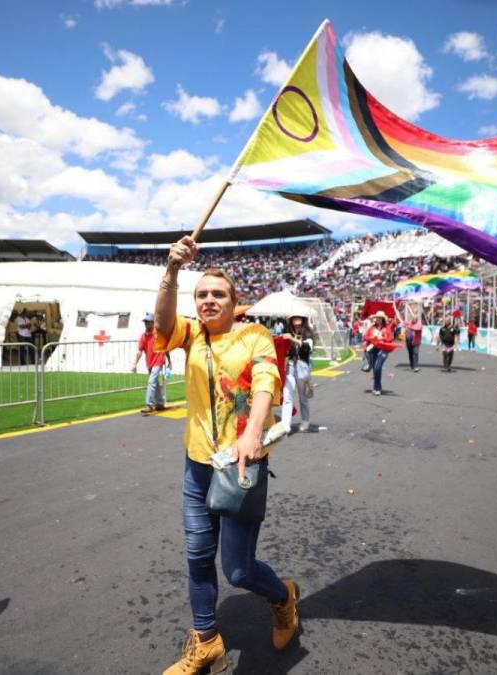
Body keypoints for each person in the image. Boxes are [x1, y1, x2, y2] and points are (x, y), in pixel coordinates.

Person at [155, 235, 299, 674]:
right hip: (198, 466)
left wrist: (252, 434)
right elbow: (162, 324)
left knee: (237, 570)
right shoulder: (191, 334)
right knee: (198, 556)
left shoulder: (254, 335)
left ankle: (282, 597)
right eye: (202, 295)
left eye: (218, 294)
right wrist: (172, 271)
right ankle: (206, 643)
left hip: (242, 464)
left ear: (235, 301)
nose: (208, 300)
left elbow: (264, 382)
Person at [280, 315, 313, 432]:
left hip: (302, 366)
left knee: (303, 397)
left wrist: (292, 339)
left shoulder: (308, 333)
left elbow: (307, 347)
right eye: (294, 317)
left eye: (299, 317)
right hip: (290, 365)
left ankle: (305, 420)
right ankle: (285, 423)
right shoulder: (288, 332)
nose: (296, 319)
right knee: (287, 395)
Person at [132, 312, 167, 413]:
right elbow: (139, 351)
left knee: (151, 381)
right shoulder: (144, 336)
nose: (146, 324)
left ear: (153, 323)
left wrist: (168, 360)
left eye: (148, 322)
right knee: (155, 383)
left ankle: (149, 405)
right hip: (150, 362)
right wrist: (135, 364)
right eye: (145, 322)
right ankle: (160, 403)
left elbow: (166, 344)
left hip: (159, 360)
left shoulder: (158, 333)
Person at [363, 310, 397, 395]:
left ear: (382, 319)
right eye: (376, 318)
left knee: (378, 367)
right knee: (375, 369)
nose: (377, 319)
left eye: (379, 318)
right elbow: (366, 336)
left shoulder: (387, 328)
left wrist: (382, 338)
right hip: (374, 349)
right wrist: (372, 337)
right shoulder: (372, 327)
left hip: (384, 349)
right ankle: (376, 387)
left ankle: (378, 388)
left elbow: (390, 339)